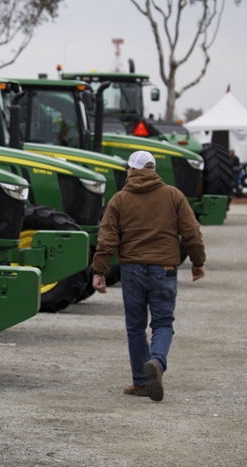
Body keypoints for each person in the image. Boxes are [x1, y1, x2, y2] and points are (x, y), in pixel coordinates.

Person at [92, 150, 206, 402]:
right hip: (164, 268)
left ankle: (142, 382)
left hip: (131, 269)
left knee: (135, 326)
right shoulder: (174, 195)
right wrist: (198, 263)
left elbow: (108, 237)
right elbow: (191, 233)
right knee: (163, 323)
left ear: (131, 170)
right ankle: (156, 361)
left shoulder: (119, 199)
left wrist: (99, 270)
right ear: (153, 170)